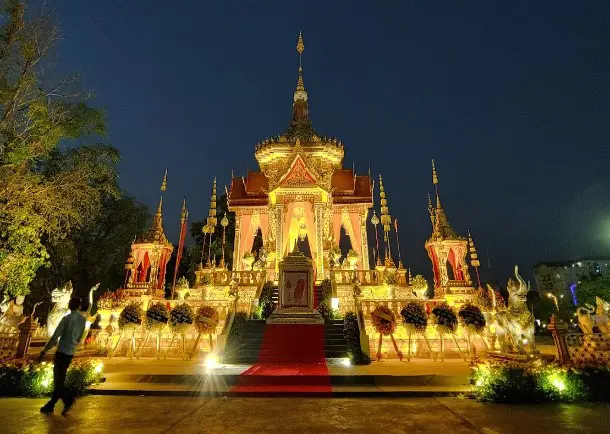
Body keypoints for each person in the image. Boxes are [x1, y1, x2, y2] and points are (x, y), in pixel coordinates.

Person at [38, 297, 86, 415]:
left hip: (62, 351)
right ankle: (51, 404)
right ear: (79, 306)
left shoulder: (66, 319)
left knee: (58, 380)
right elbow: (80, 337)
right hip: (70, 352)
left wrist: (44, 351)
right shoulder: (83, 320)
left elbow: (55, 337)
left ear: (70, 306)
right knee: (60, 380)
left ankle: (68, 399)